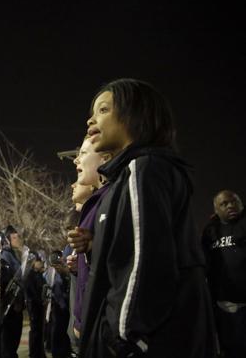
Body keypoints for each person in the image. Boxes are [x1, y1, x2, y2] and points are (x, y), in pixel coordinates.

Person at [79, 78, 217, 357]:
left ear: (136, 115)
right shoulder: (127, 176)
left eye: (103, 110)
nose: (91, 120)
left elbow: (145, 261)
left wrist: (122, 339)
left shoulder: (144, 168)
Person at [66, 136, 111, 339]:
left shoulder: (109, 199)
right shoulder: (95, 205)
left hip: (101, 328)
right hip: (89, 325)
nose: (76, 161)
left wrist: (93, 246)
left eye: (83, 154)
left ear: (105, 159)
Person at [202, 190, 246, 358]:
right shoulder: (211, 231)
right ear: (216, 209)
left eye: (234, 201)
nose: (230, 205)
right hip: (226, 306)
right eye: (224, 204)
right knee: (232, 348)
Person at [0, 225, 25, 358]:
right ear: (7, 240)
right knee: (9, 341)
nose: (17, 240)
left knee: (14, 338)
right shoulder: (5, 256)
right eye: (14, 237)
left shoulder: (13, 254)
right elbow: (9, 281)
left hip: (17, 304)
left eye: (17, 237)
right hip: (10, 305)